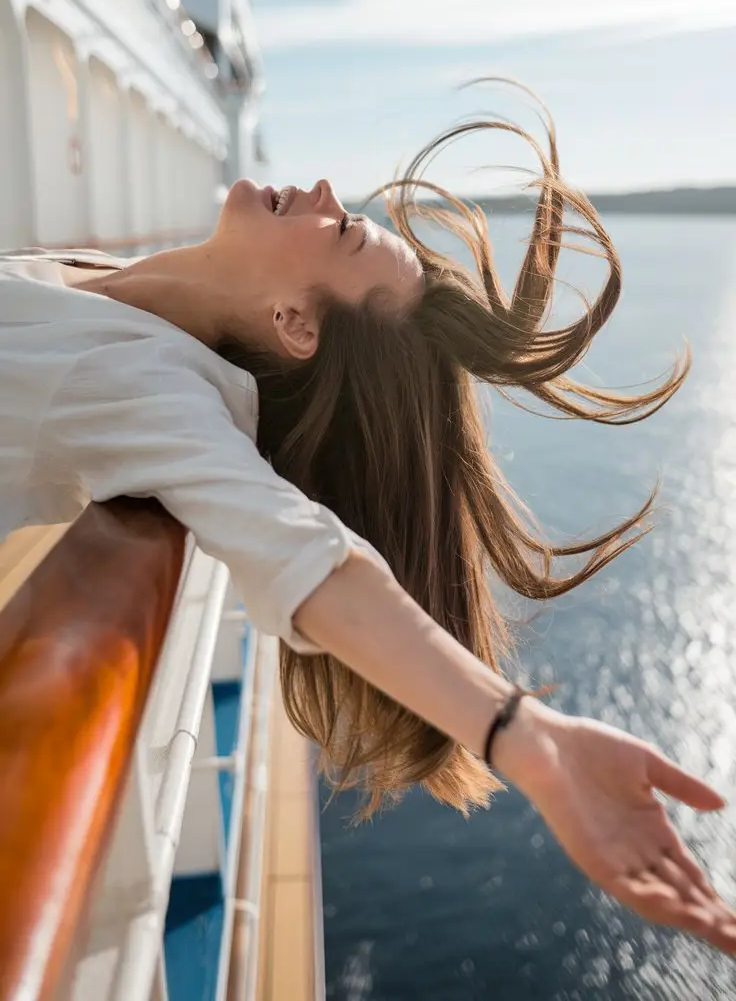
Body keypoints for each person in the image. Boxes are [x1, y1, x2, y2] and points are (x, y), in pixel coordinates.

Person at [0, 86, 734, 957]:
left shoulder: (152, 390)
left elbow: (305, 551)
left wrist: (525, 737)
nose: (319, 188)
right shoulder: (105, 284)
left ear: (295, 324)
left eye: (340, 229)